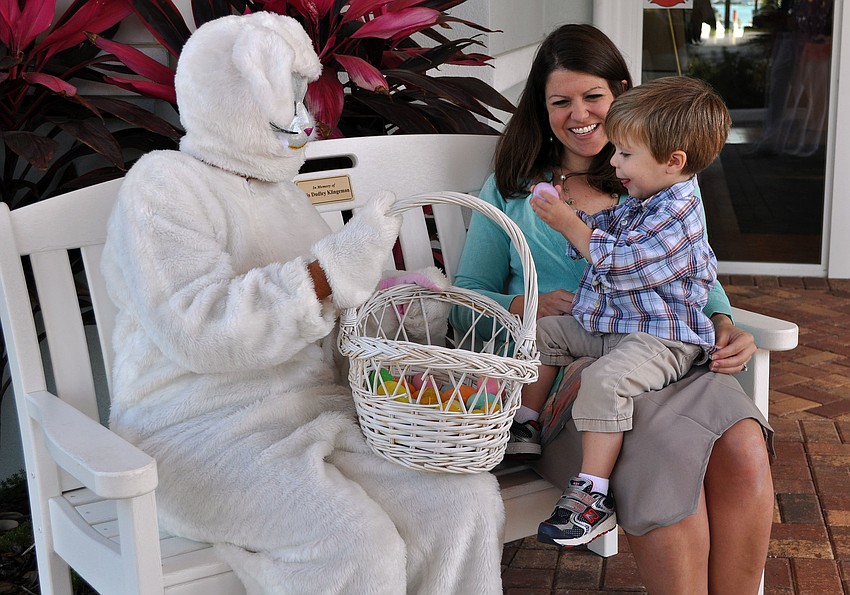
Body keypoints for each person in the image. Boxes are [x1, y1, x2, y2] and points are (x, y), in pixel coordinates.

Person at [101, 13, 504, 595]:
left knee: (460, 502)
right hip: (192, 431)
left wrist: (396, 309)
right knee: (352, 546)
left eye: (300, 92)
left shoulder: (284, 197)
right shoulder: (162, 185)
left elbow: (328, 317)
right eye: (287, 92)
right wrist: (331, 269)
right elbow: (201, 329)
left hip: (313, 411)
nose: (302, 113)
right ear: (233, 96)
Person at [450, 24, 772, 595]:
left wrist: (725, 323)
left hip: (667, 350)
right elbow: (464, 296)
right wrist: (522, 302)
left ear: (620, 91)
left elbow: (695, 271)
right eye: (560, 101)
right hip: (579, 373)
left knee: (744, 444)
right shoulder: (513, 190)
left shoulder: (658, 178)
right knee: (666, 453)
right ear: (541, 108)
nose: (579, 114)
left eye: (593, 96)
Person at [521, 76, 730, 548]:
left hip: (664, 340)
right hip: (618, 327)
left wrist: (570, 224)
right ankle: (525, 423)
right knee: (544, 333)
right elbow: (609, 231)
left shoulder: (678, 209)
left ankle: (591, 497)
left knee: (605, 382)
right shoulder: (648, 196)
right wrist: (571, 213)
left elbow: (627, 262)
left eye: (625, 154)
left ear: (673, 162)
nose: (613, 162)